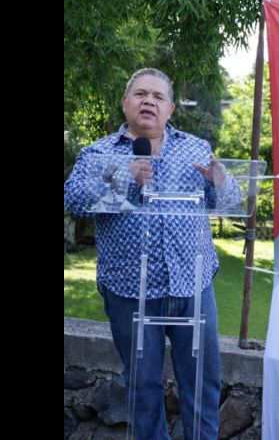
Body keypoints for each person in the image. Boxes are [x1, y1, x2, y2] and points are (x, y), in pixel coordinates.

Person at [65, 68, 237, 439]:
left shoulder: (195, 149)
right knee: (142, 391)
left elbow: (233, 199)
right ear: (125, 103)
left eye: (158, 97)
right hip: (130, 291)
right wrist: (123, 176)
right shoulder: (98, 154)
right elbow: (74, 200)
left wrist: (221, 182)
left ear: (170, 109)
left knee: (203, 386)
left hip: (193, 287)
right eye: (141, 94)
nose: (149, 101)